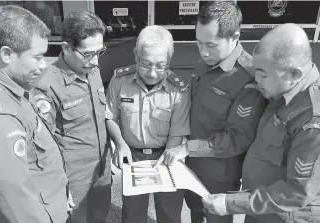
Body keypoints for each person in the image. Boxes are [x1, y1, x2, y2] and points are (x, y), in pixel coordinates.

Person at [155, 1, 267, 223]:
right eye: (198, 43)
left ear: (234, 37)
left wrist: (188, 147)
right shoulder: (203, 65)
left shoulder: (247, 78)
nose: (204, 51)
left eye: (211, 45)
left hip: (219, 177)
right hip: (191, 167)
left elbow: (237, 139)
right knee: (196, 214)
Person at [202, 23, 320, 223]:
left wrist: (231, 203)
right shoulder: (280, 91)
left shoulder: (312, 120)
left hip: (285, 215)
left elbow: (297, 193)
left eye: (263, 74)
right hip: (259, 207)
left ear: (294, 74)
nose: (257, 79)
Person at [0, 5, 68, 223]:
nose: (43, 65)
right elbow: (18, 202)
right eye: (37, 57)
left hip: (51, 206)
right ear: (7, 54)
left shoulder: (8, 88)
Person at [31, 10, 111, 223]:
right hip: (73, 177)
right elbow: (42, 145)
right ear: (66, 47)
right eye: (87, 54)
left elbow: (102, 116)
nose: (94, 61)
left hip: (102, 168)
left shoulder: (92, 70)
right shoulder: (46, 86)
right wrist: (57, 186)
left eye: (99, 52)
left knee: (99, 217)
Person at [106, 25, 191, 223]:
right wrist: (120, 144)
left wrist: (164, 167)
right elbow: (110, 117)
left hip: (167, 155)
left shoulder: (178, 90)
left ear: (170, 60)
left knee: (169, 213)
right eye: (146, 64)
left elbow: (176, 133)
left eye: (161, 65)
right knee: (133, 214)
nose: (153, 72)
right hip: (132, 157)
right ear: (136, 56)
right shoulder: (120, 81)